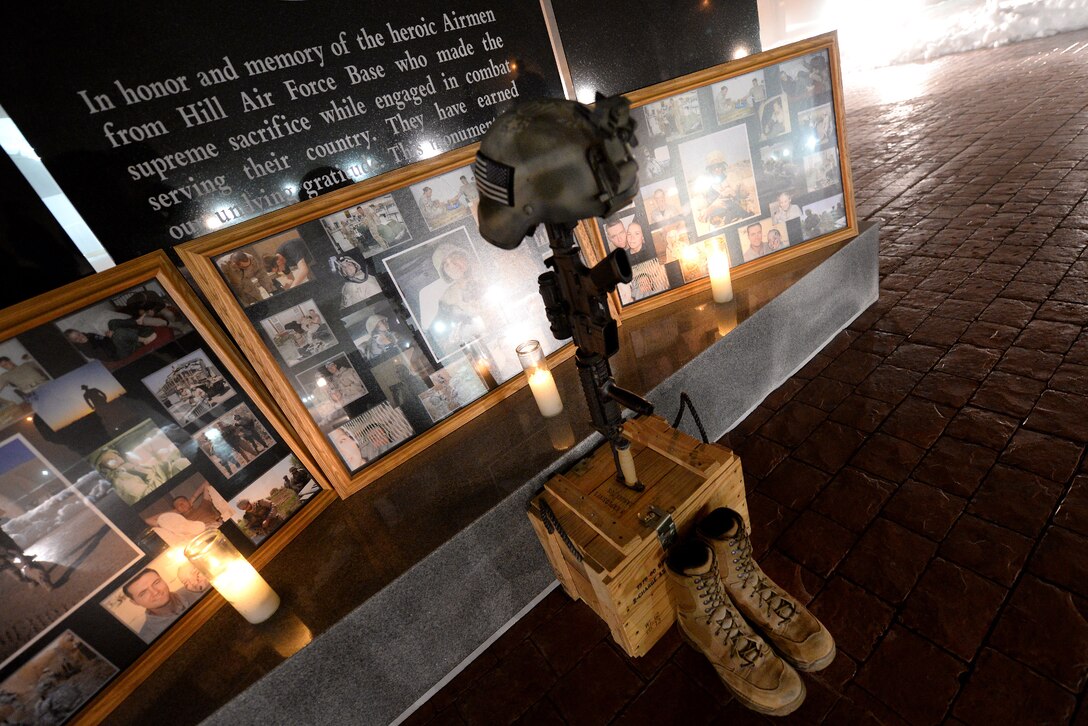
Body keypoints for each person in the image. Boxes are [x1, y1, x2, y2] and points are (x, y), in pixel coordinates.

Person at [123, 568, 201, 641]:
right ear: (135, 602)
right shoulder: (147, 638)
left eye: (156, 583)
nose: (155, 592)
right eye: (143, 593)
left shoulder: (199, 590)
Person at [94, 447, 187, 505]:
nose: (117, 460)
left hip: (164, 479)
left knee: (180, 461)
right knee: (181, 463)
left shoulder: (129, 467)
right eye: (111, 461)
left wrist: (168, 461)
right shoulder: (119, 481)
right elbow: (150, 494)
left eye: (116, 456)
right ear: (104, 469)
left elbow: (154, 470)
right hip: (161, 490)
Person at [64, 319, 158, 362]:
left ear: (79, 331)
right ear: (74, 342)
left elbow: (102, 340)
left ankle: (136, 322)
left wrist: (108, 335)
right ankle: (144, 340)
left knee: (112, 323)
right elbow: (108, 352)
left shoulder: (89, 334)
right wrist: (113, 337)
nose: (80, 337)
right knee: (119, 333)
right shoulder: (86, 350)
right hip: (117, 354)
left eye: (78, 334)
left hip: (114, 344)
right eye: (76, 339)